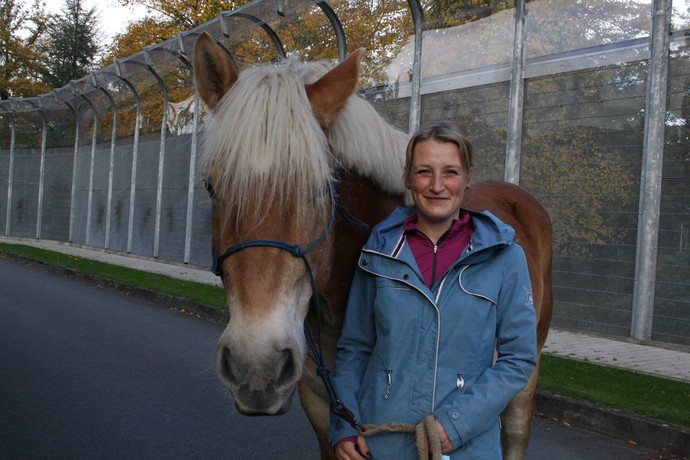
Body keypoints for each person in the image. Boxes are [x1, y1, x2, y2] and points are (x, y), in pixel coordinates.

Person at [327, 121, 537, 459]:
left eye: (450, 172)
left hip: (465, 447)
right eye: (424, 172)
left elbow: (519, 358)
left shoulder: (505, 257)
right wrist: (344, 425)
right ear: (408, 179)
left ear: (468, 178)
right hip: (380, 444)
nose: (437, 185)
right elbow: (354, 348)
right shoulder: (378, 252)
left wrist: (456, 424)